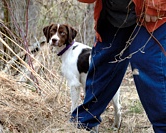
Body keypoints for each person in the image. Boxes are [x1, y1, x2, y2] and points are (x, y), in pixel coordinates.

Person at [71, 0, 166, 133]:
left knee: (146, 62)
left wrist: (156, 3)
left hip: (154, 16)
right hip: (114, 15)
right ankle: (83, 123)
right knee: (104, 61)